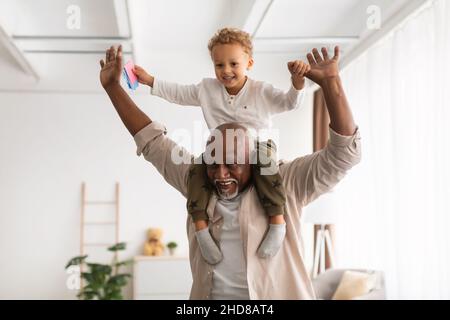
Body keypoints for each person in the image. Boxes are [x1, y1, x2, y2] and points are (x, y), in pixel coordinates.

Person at [99, 44, 361, 299]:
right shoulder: (197, 178)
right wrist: (113, 88)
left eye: (233, 164)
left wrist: (331, 84)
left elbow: (343, 154)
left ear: (252, 160)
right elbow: (152, 142)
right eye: (213, 163)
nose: (221, 175)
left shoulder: (286, 181)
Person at [132, 28, 311, 263]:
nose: (226, 71)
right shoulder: (207, 89)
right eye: (219, 65)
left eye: (234, 64)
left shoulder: (262, 91)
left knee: (267, 165)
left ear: (249, 62)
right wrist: (150, 81)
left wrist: (297, 83)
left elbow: (290, 103)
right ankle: (201, 229)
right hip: (220, 149)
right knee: (197, 170)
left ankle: (277, 222)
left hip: (256, 147)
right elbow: (179, 93)